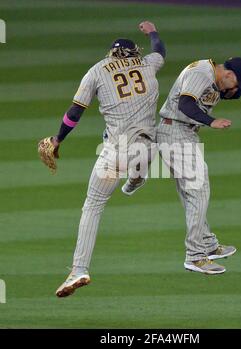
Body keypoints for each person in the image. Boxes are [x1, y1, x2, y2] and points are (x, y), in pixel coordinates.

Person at [38, 21, 165, 297]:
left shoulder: (97, 70)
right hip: (147, 147)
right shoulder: (148, 64)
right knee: (143, 152)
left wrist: (58, 139)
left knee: (93, 205)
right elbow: (160, 50)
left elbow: (75, 111)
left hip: (115, 153)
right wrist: (153, 32)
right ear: (134, 53)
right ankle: (137, 177)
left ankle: (79, 269)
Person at [128, 57, 241, 275]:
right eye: (236, 86)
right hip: (176, 131)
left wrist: (227, 94)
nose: (233, 92)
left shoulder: (212, 77)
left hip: (181, 133)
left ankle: (207, 243)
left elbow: (216, 94)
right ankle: (195, 256)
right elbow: (185, 104)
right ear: (229, 75)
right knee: (199, 190)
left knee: (191, 194)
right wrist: (211, 121)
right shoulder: (201, 73)